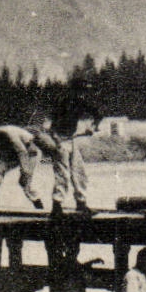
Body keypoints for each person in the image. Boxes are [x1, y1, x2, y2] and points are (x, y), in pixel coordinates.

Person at [49, 77, 102, 214]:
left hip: (71, 140)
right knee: (62, 174)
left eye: (84, 91)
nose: (83, 94)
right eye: (82, 91)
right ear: (75, 90)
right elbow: (52, 125)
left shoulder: (80, 102)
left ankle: (81, 203)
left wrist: (93, 126)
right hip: (60, 140)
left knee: (79, 172)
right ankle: (57, 205)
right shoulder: (63, 102)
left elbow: (98, 114)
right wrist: (56, 140)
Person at [0, 122, 49, 209]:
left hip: (30, 152)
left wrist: (25, 171)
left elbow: (22, 151)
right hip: (14, 152)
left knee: (24, 182)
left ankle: (39, 205)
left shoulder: (9, 133)